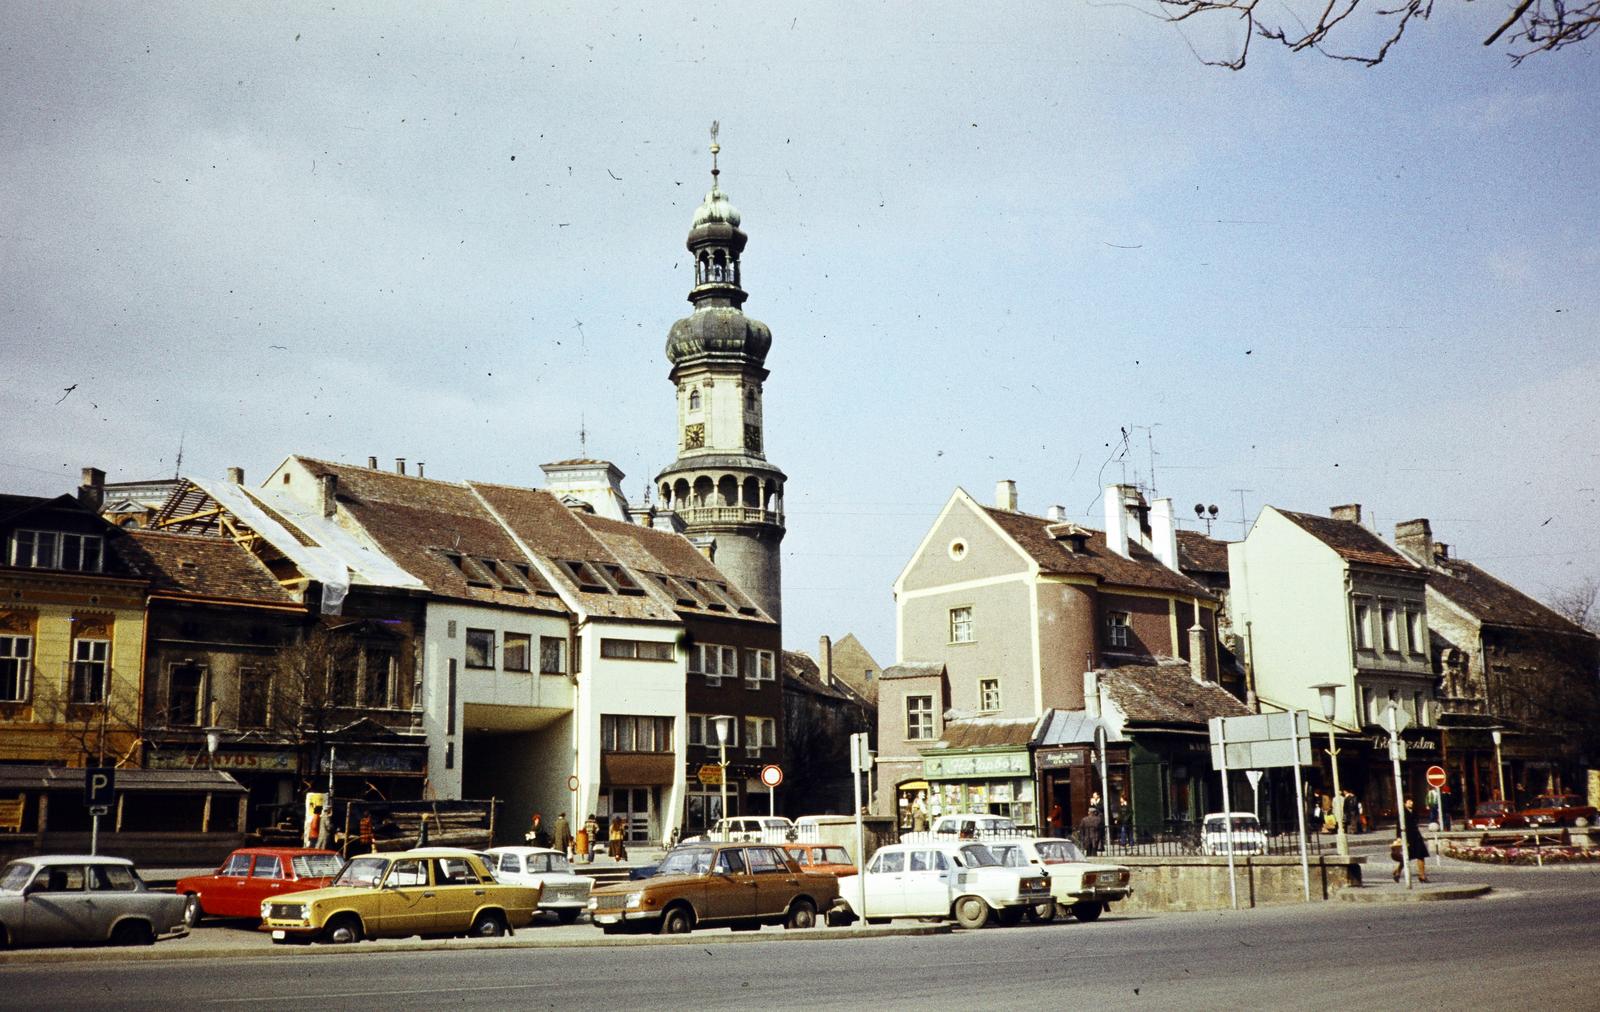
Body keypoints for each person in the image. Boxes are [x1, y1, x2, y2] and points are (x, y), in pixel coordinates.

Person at [1395, 797, 1430, 882]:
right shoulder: (1402, 812)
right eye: (1409, 801)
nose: (1411, 803)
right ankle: (1397, 872)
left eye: (1412, 801)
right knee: (1406, 857)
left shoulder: (1414, 811)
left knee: (1421, 855)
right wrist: (1399, 837)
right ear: (1404, 803)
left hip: (1416, 836)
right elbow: (1399, 825)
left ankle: (1422, 875)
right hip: (1407, 837)